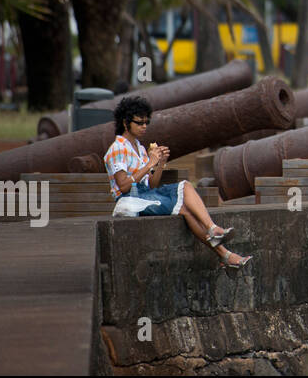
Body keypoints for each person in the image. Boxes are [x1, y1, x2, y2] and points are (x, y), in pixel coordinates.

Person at [104, 94, 251, 269]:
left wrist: (160, 164)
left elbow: (152, 184)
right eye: (139, 123)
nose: (144, 127)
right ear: (125, 123)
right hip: (130, 201)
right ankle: (225, 253)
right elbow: (124, 185)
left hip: (147, 194)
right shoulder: (117, 149)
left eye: (146, 123)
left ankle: (213, 230)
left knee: (186, 186)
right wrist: (150, 163)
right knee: (184, 209)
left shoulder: (140, 148)